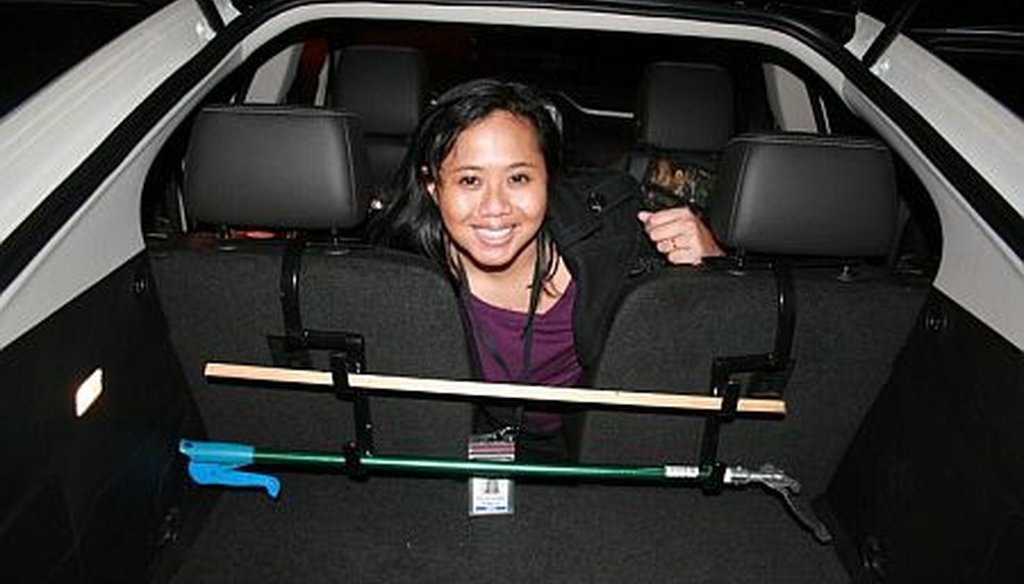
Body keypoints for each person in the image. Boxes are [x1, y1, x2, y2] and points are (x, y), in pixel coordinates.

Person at [372, 79, 721, 459]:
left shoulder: (618, 246)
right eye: (470, 180)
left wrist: (714, 271)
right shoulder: (397, 277)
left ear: (549, 179)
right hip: (453, 452)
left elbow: (705, 350)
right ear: (433, 187)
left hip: (596, 454)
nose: (494, 207)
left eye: (518, 178)